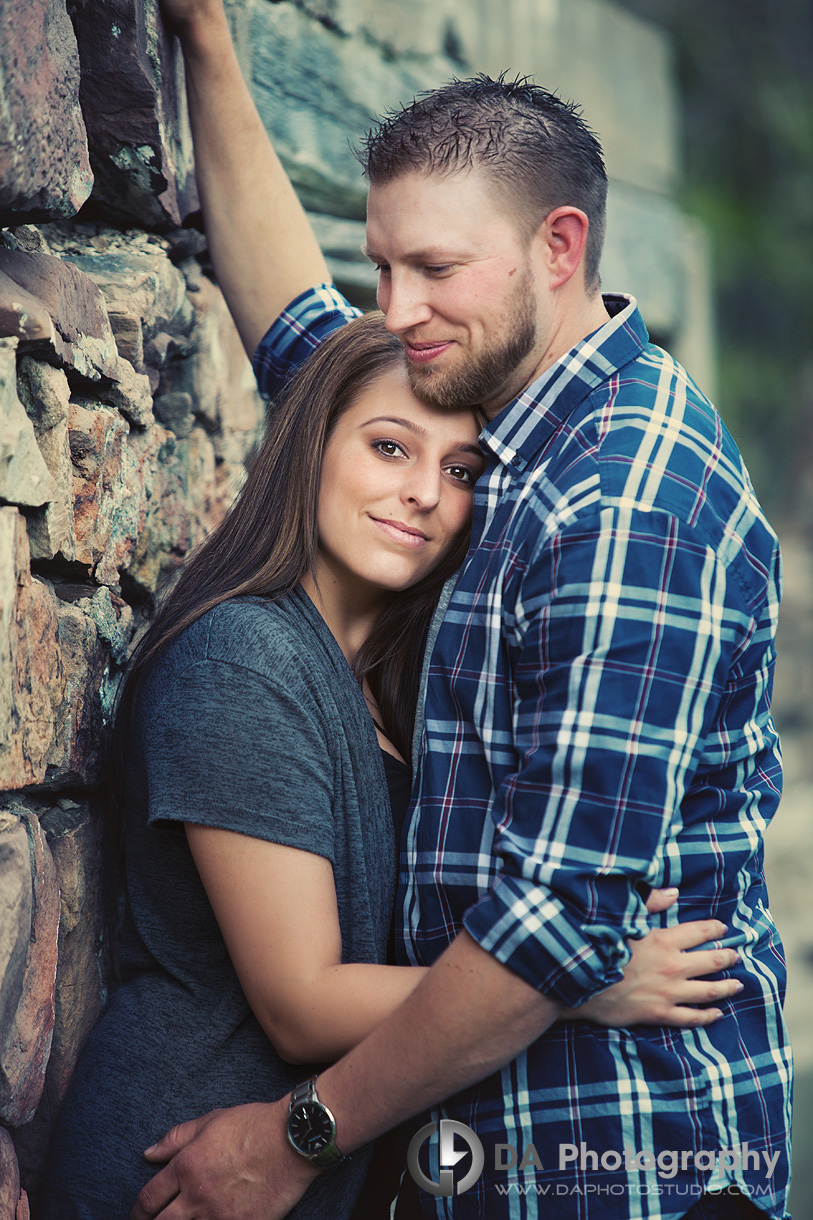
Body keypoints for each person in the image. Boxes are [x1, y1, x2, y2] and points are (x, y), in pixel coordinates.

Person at [131, 4, 792, 1219]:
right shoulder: (492, 432)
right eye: (383, 264)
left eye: (433, 269)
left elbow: (554, 936)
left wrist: (296, 1136)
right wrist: (206, 41)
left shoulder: (623, 506)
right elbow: (307, 345)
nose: (396, 306)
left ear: (559, 247)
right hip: (479, 1154)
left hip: (610, 1159)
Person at [40, 310, 726, 1220]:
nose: (424, 495)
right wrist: (578, 980)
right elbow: (301, 1000)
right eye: (390, 448)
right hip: (180, 1167)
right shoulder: (242, 659)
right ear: (313, 444)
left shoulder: (394, 685)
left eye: (459, 471)